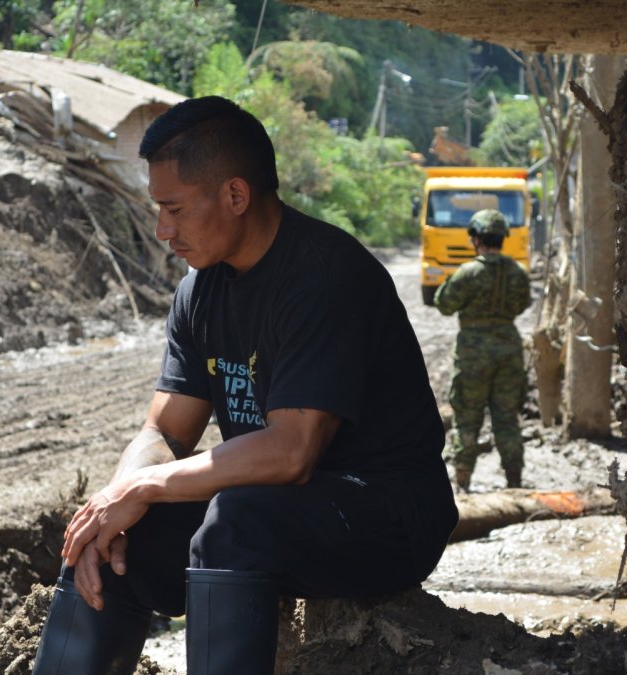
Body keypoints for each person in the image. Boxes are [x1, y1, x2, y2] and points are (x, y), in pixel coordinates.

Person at [30, 96, 458, 675]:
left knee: (234, 522)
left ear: (235, 195)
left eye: (175, 209)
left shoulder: (325, 277)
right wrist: (117, 501)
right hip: (275, 505)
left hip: (386, 510)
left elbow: (290, 452)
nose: (162, 230)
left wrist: (144, 488)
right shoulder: (199, 289)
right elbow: (163, 430)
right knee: (107, 540)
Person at [434, 209, 532, 492]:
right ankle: (515, 481)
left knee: (467, 416)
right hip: (509, 349)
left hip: (473, 352)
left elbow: (443, 304)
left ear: (476, 238)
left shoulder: (468, 272)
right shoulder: (517, 271)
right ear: (502, 238)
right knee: (507, 418)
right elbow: (522, 304)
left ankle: (462, 483)